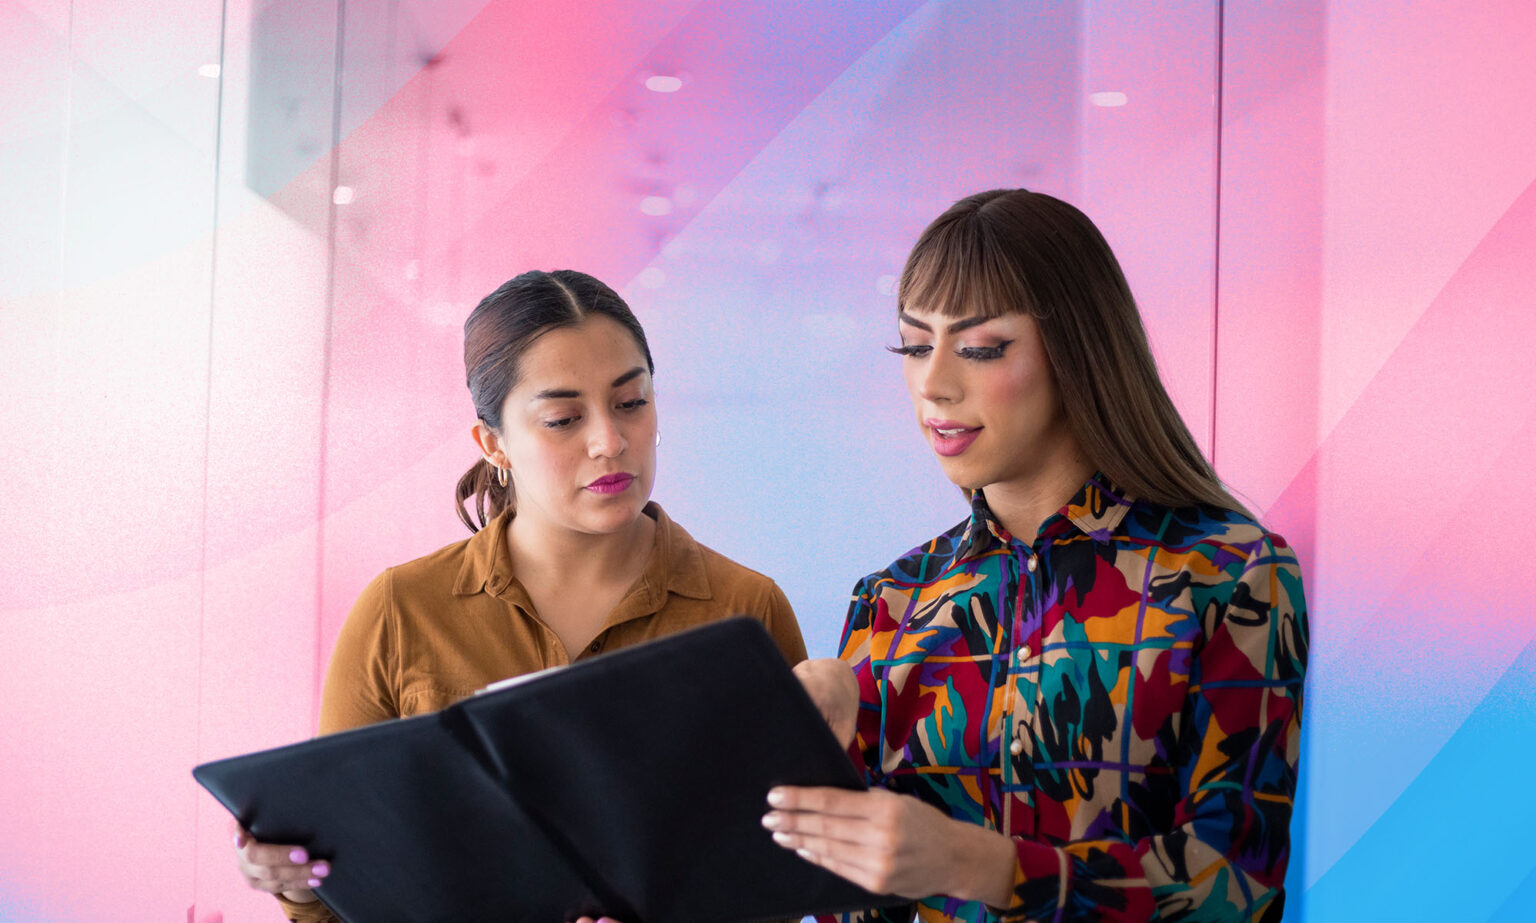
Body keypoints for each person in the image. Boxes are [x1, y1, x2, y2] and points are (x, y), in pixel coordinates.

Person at [772, 190, 1308, 922]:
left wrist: (979, 864)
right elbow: (841, 897)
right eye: (915, 345)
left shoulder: (1229, 576)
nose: (933, 383)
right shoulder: (892, 598)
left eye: (980, 347)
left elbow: (1236, 882)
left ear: (1076, 348)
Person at [231, 269, 808, 922]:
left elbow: (787, 885)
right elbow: (341, 897)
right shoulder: (400, 610)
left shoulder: (745, 609)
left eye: (631, 402)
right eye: (563, 418)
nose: (609, 441)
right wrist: (298, 880)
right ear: (493, 443)